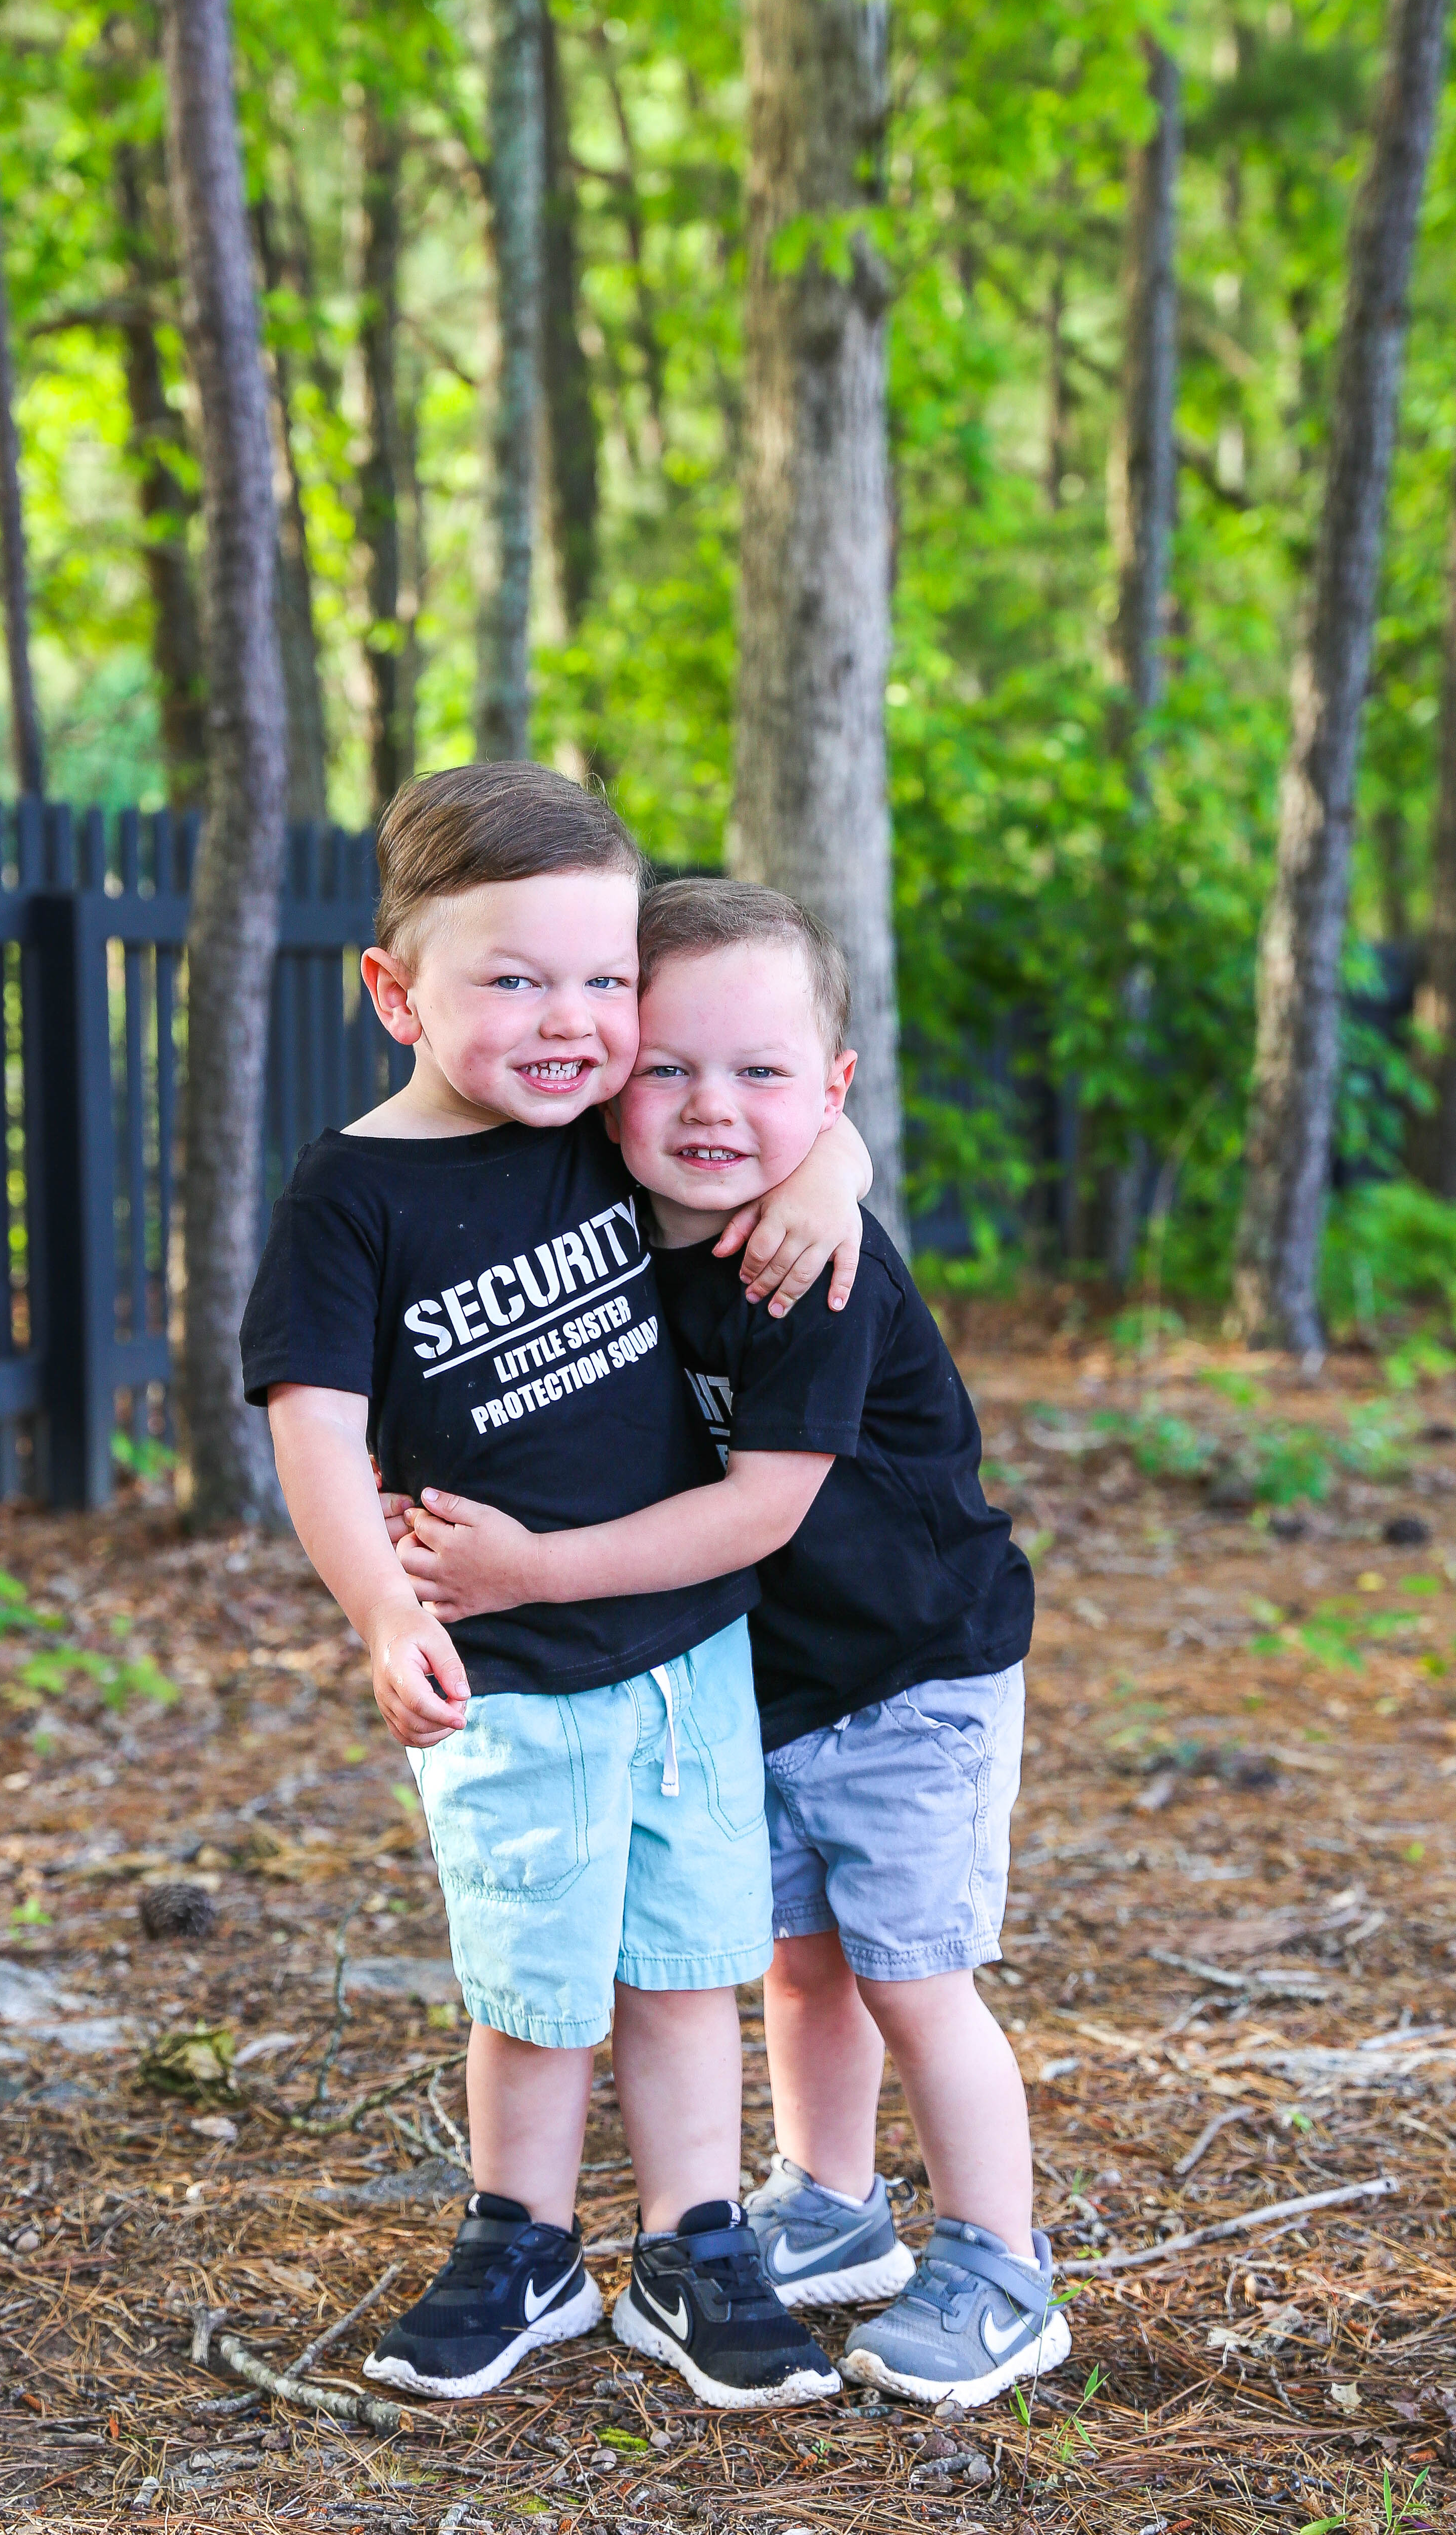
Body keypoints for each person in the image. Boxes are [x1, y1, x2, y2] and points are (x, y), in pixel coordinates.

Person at [389, 877, 1069, 2412]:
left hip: (912, 1673)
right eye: (669, 1066)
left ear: (828, 1089)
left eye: (761, 1076)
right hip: (756, 1680)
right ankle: (829, 2203)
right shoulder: (601, 1209)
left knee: (914, 1974)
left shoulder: (807, 1258)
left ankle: (1003, 2263)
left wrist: (532, 1568)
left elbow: (760, 1513)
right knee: (794, 1964)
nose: (709, 1106)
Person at [240, 773, 869, 2408]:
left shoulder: (607, 1128)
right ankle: (520, 2239)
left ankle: (691, 2241)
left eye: (604, 982)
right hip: (503, 1664)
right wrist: (384, 1609)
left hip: (687, 1649)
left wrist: (833, 1166)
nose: (571, 1021)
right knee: (535, 1978)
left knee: (681, 1963)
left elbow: (770, 1101)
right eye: (514, 978)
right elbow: (313, 1429)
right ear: (395, 991)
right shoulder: (351, 1197)